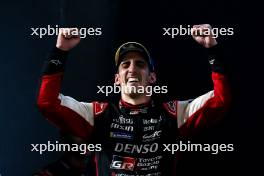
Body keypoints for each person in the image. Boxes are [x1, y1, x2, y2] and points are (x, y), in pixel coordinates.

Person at [37, 24, 231, 176]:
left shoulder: (174, 113)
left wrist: (212, 49)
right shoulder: (98, 114)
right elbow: (48, 104)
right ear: (117, 79)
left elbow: (221, 100)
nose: (132, 69)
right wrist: (59, 52)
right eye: (125, 64)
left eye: (140, 64)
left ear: (152, 77)